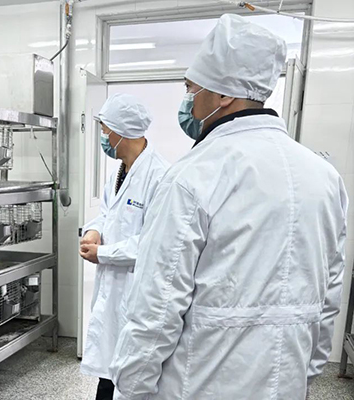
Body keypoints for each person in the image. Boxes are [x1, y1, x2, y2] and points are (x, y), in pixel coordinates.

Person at [109, 14, 348, 400]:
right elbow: (328, 294)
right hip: (286, 383)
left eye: (191, 88)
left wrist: (132, 386)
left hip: (201, 385)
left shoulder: (193, 175)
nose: (189, 101)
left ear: (222, 96)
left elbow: (157, 305)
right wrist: (307, 372)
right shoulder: (324, 178)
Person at [79, 93, 169, 400]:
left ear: (122, 131)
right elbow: (108, 212)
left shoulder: (159, 176)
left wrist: (103, 253)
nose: (104, 137)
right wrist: (94, 231)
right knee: (109, 372)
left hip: (137, 292)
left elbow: (154, 241)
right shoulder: (120, 171)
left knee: (130, 376)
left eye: (106, 130)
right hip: (114, 290)